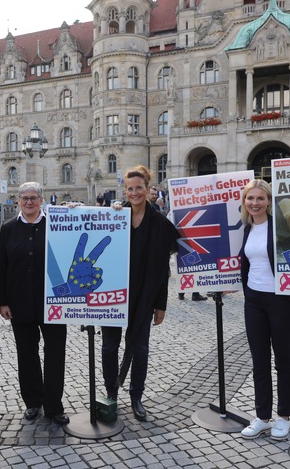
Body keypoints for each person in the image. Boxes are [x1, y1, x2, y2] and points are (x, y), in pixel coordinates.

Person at [103, 165, 179, 421]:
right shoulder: (115, 215)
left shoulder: (159, 224)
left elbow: (162, 270)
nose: (134, 193)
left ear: (148, 189)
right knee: (109, 347)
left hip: (144, 296)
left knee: (141, 349)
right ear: (125, 190)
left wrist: (161, 304)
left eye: (139, 188)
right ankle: (111, 394)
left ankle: (136, 396)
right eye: (130, 188)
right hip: (113, 295)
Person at [0, 182, 70, 425]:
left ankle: (53, 405)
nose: (29, 202)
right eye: (24, 198)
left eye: (33, 198)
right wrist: (2, 301)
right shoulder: (8, 228)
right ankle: (32, 402)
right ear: (18, 201)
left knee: (55, 355)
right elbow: (2, 266)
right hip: (19, 302)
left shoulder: (56, 225)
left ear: (42, 200)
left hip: (53, 303)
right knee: (27, 355)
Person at [238, 180, 290, 440]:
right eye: (250, 198)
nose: (255, 203)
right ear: (245, 202)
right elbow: (246, 262)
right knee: (259, 361)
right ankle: (262, 416)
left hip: (282, 299)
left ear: (269, 201)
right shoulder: (247, 228)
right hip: (254, 299)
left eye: (260, 198)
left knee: (283, 360)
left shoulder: (281, 227)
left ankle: (283, 417)